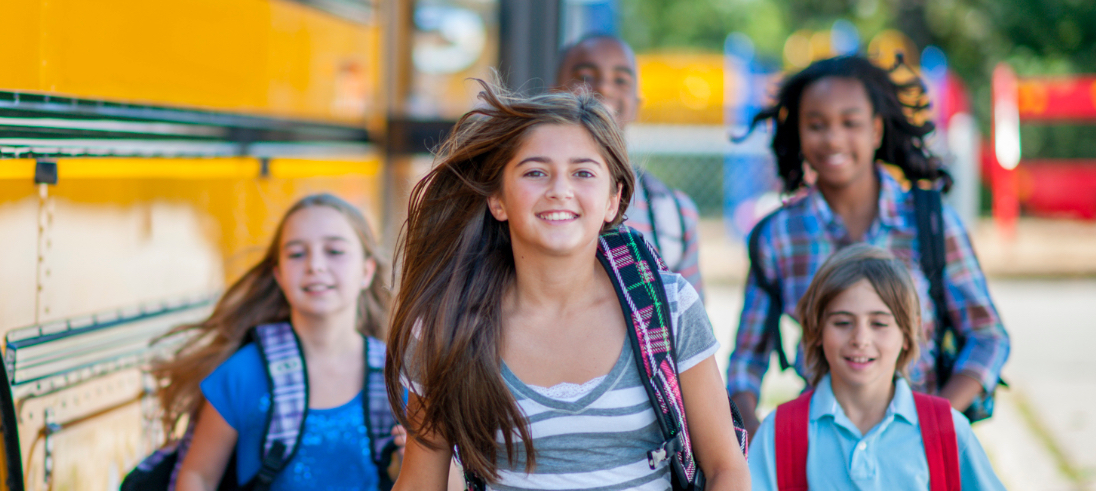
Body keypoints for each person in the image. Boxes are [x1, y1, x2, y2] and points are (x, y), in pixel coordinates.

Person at [386, 81, 747, 491]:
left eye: (583, 173)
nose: (560, 190)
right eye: (536, 172)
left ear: (614, 199)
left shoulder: (669, 308)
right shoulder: (446, 327)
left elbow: (726, 469)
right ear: (497, 200)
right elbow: (420, 482)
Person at [726, 55, 1010, 434]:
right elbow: (745, 363)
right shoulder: (777, 236)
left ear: (876, 130)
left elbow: (987, 335)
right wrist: (759, 443)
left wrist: (933, 423)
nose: (833, 138)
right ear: (797, 132)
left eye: (850, 122)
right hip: (819, 452)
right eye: (816, 124)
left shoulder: (930, 222)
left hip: (920, 454)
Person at [155, 193, 395, 491]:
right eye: (296, 254)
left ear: (366, 270)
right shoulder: (243, 373)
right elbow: (198, 477)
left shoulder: (396, 379)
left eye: (334, 251)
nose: (315, 265)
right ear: (279, 275)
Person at [747, 244, 1005, 490]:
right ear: (816, 329)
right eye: (842, 322)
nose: (860, 339)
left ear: (909, 332)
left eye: (879, 324)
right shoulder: (779, 433)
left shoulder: (949, 430)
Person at [556, 33, 705, 298]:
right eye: (586, 77)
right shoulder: (526, 196)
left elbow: (690, 325)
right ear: (553, 92)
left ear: (637, 104)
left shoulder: (675, 215)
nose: (605, 88)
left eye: (621, 80)